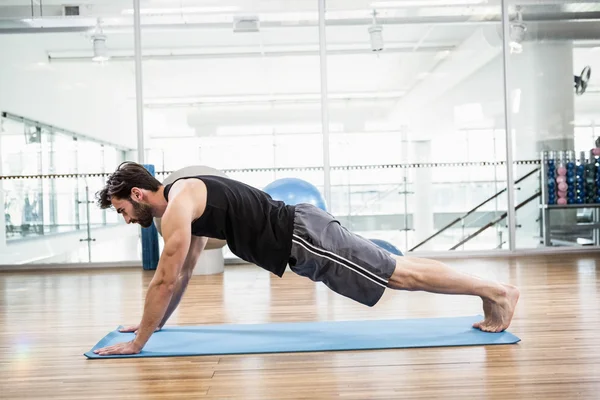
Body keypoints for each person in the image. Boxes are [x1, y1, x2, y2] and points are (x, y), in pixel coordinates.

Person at [92, 162, 519, 356]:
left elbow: (163, 280)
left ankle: (495, 291)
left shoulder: (179, 206)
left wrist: (138, 343)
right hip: (303, 236)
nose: (127, 219)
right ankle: (490, 292)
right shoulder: (185, 198)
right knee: (396, 272)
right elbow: (182, 273)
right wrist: (157, 325)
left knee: (397, 274)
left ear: (136, 194)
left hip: (303, 238)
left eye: (121, 210)